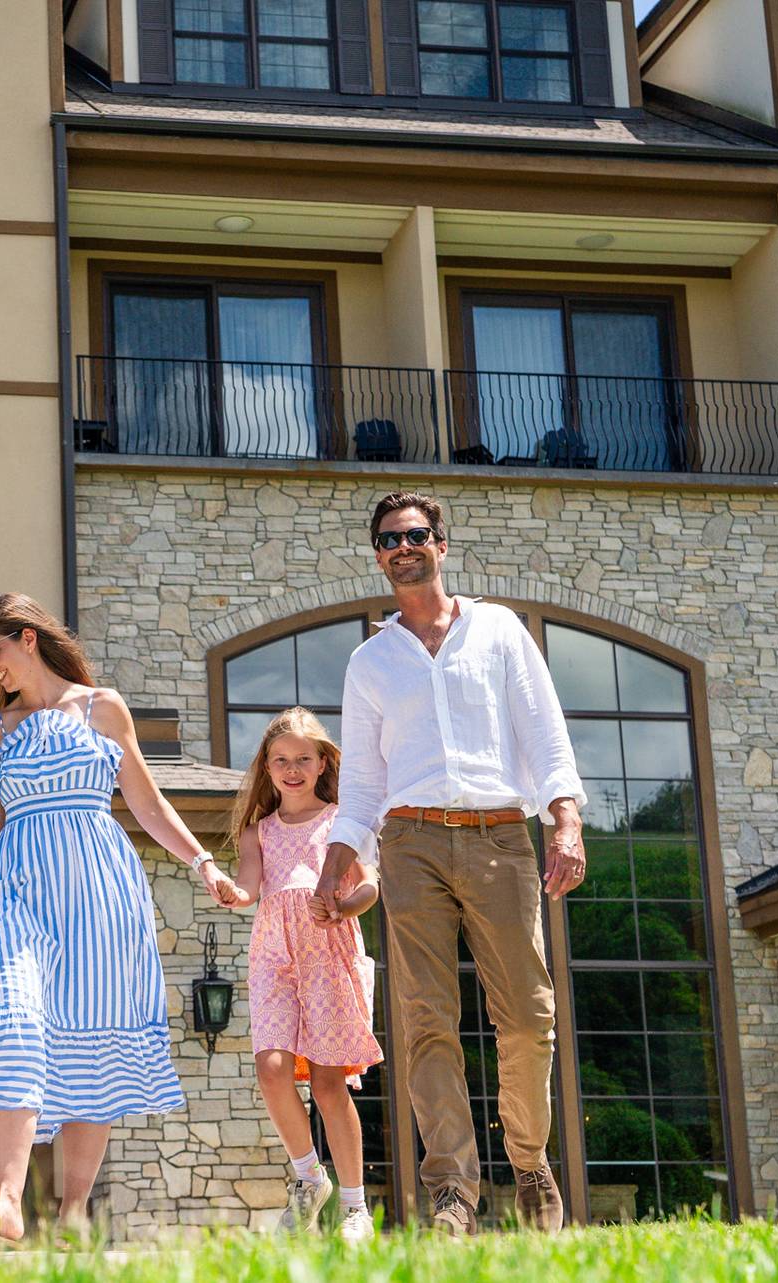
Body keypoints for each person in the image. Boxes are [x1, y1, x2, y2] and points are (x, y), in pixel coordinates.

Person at [0, 592, 240, 1242]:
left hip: (98, 894)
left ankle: (71, 1213)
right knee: (12, 1017)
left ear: (29, 637)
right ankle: (9, 1198)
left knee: (88, 1042)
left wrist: (204, 862)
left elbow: (147, 806)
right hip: (17, 892)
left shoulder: (103, 708)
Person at [314, 491, 587, 1236]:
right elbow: (365, 783)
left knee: (528, 1016)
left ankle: (529, 1160)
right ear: (377, 555)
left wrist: (564, 821)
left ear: (441, 544)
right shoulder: (371, 662)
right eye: (388, 539)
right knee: (426, 1017)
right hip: (410, 844)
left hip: (501, 838)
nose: (402, 547)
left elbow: (545, 731)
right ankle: (453, 1192)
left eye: (415, 535)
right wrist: (337, 860)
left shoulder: (498, 630)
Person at [225, 707, 383, 1243]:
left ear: (321, 764)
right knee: (271, 1067)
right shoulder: (257, 832)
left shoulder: (342, 820)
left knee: (327, 1082)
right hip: (274, 958)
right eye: (280, 761)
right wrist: (233, 892)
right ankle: (309, 1178)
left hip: (328, 955)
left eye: (303, 759)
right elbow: (251, 887)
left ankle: (356, 1207)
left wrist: (341, 908)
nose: (292, 769)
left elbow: (369, 887)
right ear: (266, 769)